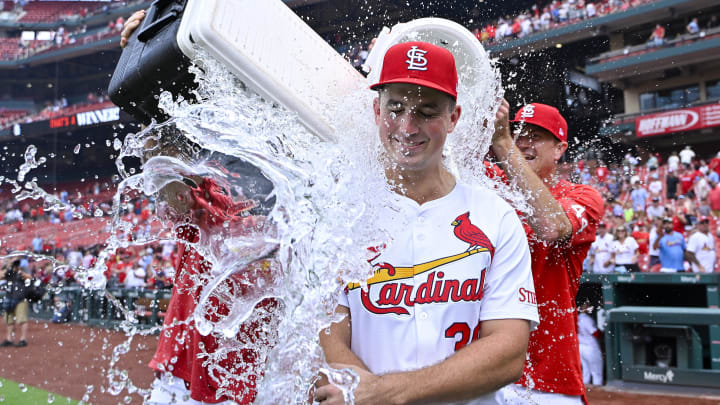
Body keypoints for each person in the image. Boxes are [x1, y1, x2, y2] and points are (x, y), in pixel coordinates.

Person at [317, 41, 539, 405]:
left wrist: (383, 394)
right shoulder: (339, 214)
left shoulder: (494, 215)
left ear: (454, 118)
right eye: (396, 107)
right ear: (376, 110)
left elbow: (508, 352)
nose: (407, 126)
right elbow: (326, 334)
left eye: (426, 111)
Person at [122, 11, 280, 405]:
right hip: (187, 381)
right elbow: (165, 177)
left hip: (267, 385)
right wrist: (144, 60)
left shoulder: (315, 208)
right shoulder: (214, 202)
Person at [490, 102, 603, 404]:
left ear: (559, 148)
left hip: (547, 380)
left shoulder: (582, 196)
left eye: (536, 135)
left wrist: (503, 143)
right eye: (517, 133)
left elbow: (551, 227)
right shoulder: (490, 185)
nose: (524, 142)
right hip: (483, 371)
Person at [1, 260, 32, 348]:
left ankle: (23, 339)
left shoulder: (22, 271)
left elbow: (30, 278)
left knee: (22, 319)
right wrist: (8, 266)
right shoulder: (9, 272)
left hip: (21, 298)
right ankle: (9, 338)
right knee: (9, 319)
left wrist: (20, 271)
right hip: (9, 298)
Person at [577, 301, 603, 386]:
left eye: (588, 305)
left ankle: (588, 392)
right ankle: (598, 391)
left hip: (581, 347)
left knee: (586, 371)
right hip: (590, 347)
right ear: (580, 308)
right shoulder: (586, 319)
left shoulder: (577, 318)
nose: (587, 307)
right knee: (596, 372)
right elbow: (595, 333)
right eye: (585, 306)